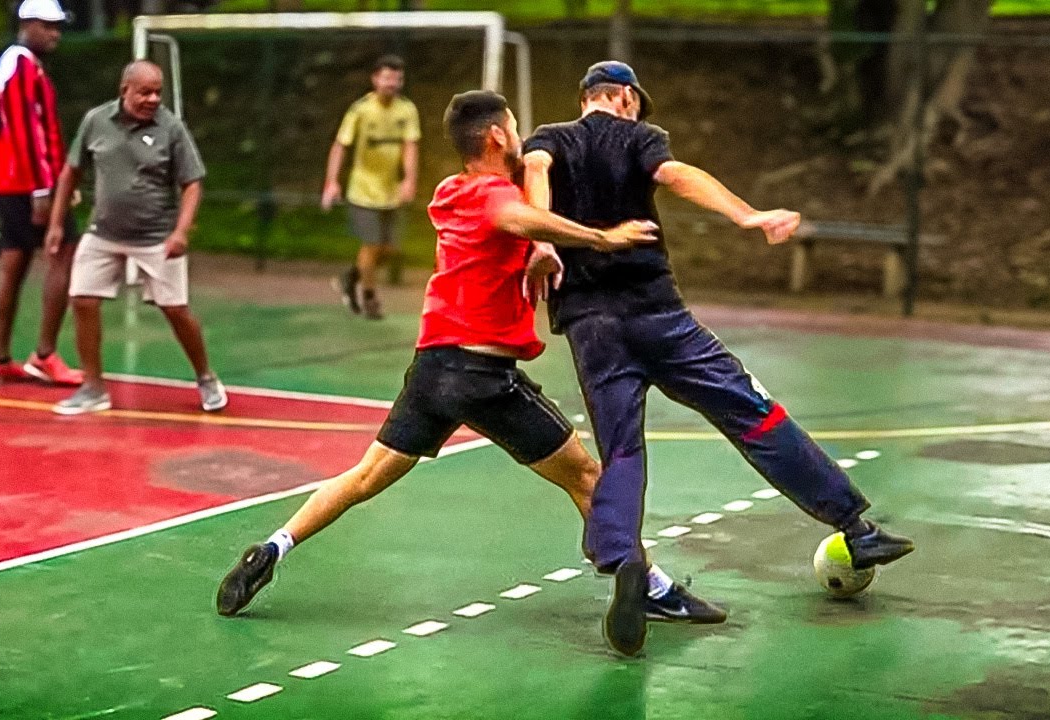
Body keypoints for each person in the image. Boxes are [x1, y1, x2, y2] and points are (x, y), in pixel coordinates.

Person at [217, 91, 724, 630]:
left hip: (431, 370)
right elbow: (521, 218)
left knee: (364, 477)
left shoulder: (449, 191)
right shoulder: (493, 196)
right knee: (587, 476)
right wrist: (602, 238)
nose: (521, 135)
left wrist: (539, 245)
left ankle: (273, 547)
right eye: (514, 127)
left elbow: (518, 219)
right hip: (483, 379)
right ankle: (650, 587)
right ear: (497, 136)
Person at [521, 61, 916, 656]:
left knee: (621, 449)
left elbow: (534, 169)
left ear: (584, 99)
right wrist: (747, 215)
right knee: (753, 414)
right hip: (660, 316)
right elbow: (677, 175)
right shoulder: (640, 137)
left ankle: (625, 561)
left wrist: (543, 240)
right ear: (625, 97)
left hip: (590, 326)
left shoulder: (549, 139)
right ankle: (855, 528)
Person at [44, 60, 226, 416]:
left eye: (157, 92)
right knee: (82, 299)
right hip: (103, 232)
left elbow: (192, 184)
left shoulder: (171, 128)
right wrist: (55, 224)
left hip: (156, 237)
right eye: (145, 92)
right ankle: (93, 387)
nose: (153, 99)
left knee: (175, 309)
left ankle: (206, 376)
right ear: (124, 90)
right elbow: (70, 172)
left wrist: (181, 231)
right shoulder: (96, 121)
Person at [0, 0, 82, 386]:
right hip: (26, 182)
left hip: (6, 180)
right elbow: (28, 132)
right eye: (48, 26)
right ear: (27, 24)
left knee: (14, 262)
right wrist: (46, 188)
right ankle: (44, 355)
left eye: (58, 26)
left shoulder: (13, 63)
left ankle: (0, 358)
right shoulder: (22, 65)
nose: (56, 33)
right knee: (64, 252)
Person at [321, 55, 420, 320]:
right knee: (372, 244)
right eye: (387, 78)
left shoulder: (407, 110)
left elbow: (410, 146)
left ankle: (350, 276)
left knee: (390, 249)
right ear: (375, 79)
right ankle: (369, 297)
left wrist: (409, 180)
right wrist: (332, 181)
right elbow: (340, 145)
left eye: (397, 79)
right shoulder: (361, 110)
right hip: (363, 190)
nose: (392, 84)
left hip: (391, 191)